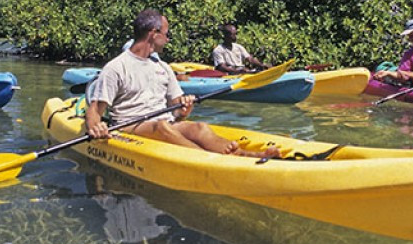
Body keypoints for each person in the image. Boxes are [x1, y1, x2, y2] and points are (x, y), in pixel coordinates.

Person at [85, 9, 279, 157]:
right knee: (161, 127)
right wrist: (96, 127)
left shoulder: (164, 68)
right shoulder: (116, 67)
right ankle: (208, 160)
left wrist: (185, 108)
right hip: (129, 126)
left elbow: (177, 113)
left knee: (199, 128)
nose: (168, 39)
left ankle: (248, 156)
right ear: (154, 33)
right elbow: (95, 110)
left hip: (164, 124)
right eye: (167, 34)